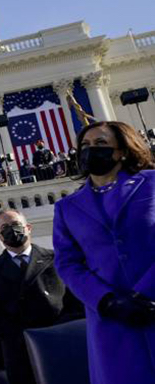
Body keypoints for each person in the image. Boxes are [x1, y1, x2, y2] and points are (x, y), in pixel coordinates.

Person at [52, 121, 155, 383]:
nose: (91, 150)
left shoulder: (151, 183)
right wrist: (106, 300)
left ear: (122, 151)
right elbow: (67, 264)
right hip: (112, 321)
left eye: (100, 143)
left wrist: (145, 292)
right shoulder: (67, 207)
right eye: (85, 145)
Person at [0, 209, 83, 384]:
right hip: (20, 350)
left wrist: (58, 330)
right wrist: (20, 336)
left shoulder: (56, 259)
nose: (11, 230)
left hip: (61, 341)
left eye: (15, 224)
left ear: (28, 227)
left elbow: (76, 300)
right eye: (4, 228)